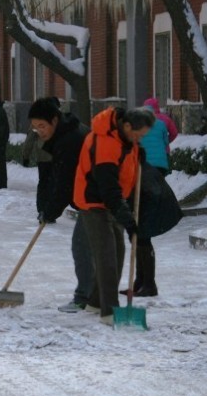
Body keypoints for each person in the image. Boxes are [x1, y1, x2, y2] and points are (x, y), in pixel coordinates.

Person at [73, 106, 154, 325]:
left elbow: (123, 173)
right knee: (107, 254)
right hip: (93, 200)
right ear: (127, 125)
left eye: (143, 136)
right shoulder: (105, 142)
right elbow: (107, 185)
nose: (139, 138)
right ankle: (109, 311)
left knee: (117, 250)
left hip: (111, 201)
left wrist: (137, 156)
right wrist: (126, 217)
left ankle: (96, 302)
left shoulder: (125, 139)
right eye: (138, 134)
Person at [27, 97, 94, 314]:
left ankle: (86, 297)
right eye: (35, 127)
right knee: (93, 249)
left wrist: (50, 212)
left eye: (42, 126)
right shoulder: (68, 132)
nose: (39, 131)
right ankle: (96, 297)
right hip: (95, 195)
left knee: (83, 247)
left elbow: (64, 183)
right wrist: (47, 206)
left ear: (54, 120)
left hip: (97, 197)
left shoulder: (69, 140)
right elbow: (54, 178)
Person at [126, 102, 171, 297]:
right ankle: (140, 280)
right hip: (147, 173)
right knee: (137, 234)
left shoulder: (139, 130)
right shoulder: (161, 123)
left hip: (146, 178)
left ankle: (149, 283)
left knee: (142, 233)